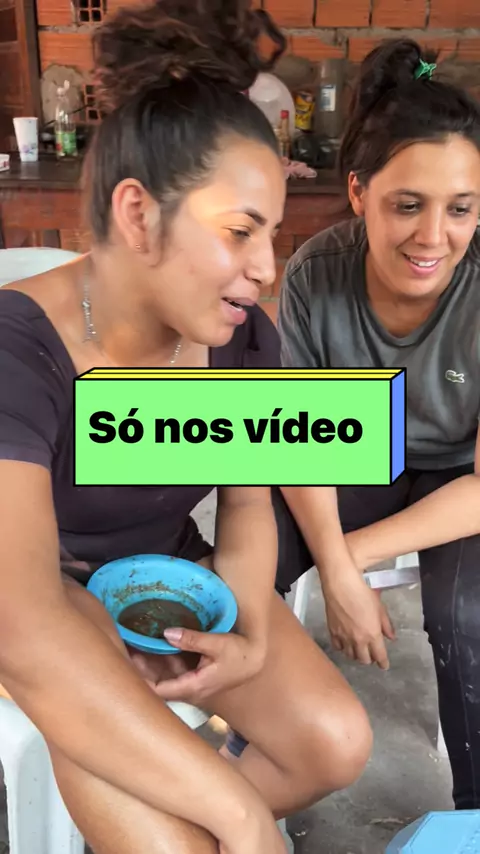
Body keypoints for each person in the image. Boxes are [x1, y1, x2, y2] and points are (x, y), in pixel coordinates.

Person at [0, 2, 372, 853]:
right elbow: (22, 620)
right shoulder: (20, 351)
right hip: (41, 608)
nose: (265, 268)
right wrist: (241, 817)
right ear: (138, 215)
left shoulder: (235, 337)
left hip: (161, 581)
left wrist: (248, 633)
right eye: (239, 232)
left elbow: (245, 505)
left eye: (270, 234)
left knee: (336, 741)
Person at [270, 38, 480, 811]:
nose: (433, 238)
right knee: (245, 556)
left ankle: (474, 818)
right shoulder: (315, 275)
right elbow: (297, 441)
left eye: (461, 208)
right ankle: (258, 761)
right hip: (357, 459)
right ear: (359, 192)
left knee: (469, 616)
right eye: (407, 205)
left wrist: (348, 561)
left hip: (458, 479)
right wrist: (327, 561)